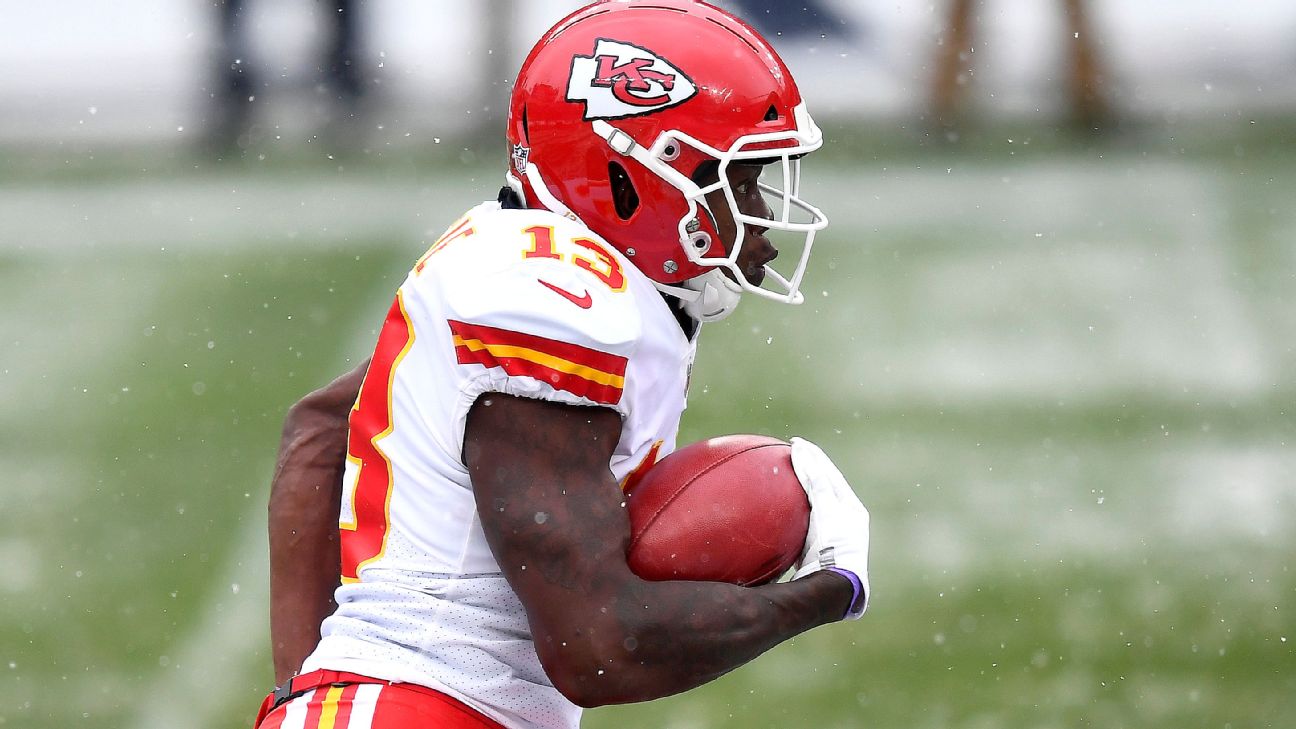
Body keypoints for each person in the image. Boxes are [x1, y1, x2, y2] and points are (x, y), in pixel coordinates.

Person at [256, 2, 871, 727]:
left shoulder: (521, 264)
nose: (762, 219)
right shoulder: (548, 300)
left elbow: (321, 429)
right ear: (630, 176)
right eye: (736, 181)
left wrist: (304, 693)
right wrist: (830, 587)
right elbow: (599, 647)